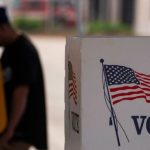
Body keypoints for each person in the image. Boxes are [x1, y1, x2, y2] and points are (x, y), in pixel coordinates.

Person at [0, 7, 48, 150]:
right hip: (12, 131)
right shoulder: (9, 50)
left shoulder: (23, 51)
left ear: (3, 27)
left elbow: (21, 93)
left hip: (20, 133)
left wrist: (9, 131)